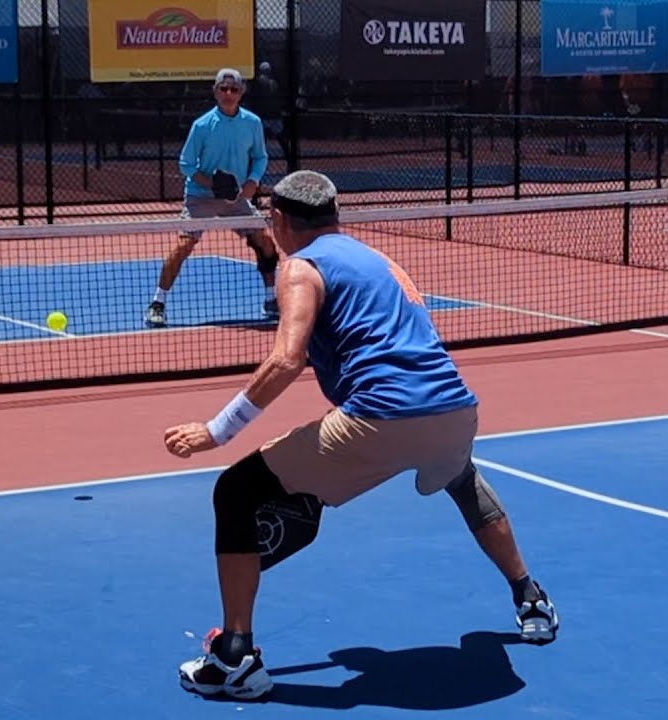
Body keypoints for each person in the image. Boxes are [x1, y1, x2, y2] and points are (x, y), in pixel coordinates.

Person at [163, 170, 559, 700]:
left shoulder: (300, 266)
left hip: (379, 419)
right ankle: (529, 596)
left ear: (279, 221)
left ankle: (235, 657)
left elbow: (286, 358)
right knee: (462, 480)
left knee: (235, 490)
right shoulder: (379, 261)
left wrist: (217, 431)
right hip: (456, 412)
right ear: (336, 216)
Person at [145, 68, 279, 328]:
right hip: (200, 197)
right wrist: (212, 184)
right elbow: (186, 164)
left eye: (234, 89)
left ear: (241, 92)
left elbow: (261, 157)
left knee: (265, 243)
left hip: (238, 199)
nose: (228, 93)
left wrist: (252, 182)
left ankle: (271, 299)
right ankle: (157, 303)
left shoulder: (252, 122)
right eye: (223, 88)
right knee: (183, 246)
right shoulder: (202, 125)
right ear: (215, 91)